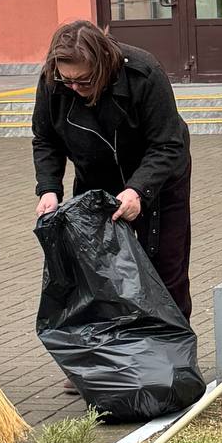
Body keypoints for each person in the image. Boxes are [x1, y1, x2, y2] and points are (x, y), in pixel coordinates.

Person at [32, 21, 194, 319]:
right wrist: (49, 189)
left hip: (156, 179)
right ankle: (117, 352)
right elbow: (45, 139)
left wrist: (137, 191)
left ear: (103, 63)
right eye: (68, 81)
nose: (75, 89)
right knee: (99, 272)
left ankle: (171, 356)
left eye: (84, 80)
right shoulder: (53, 81)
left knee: (164, 268)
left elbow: (168, 144)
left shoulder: (144, 73)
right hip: (95, 178)